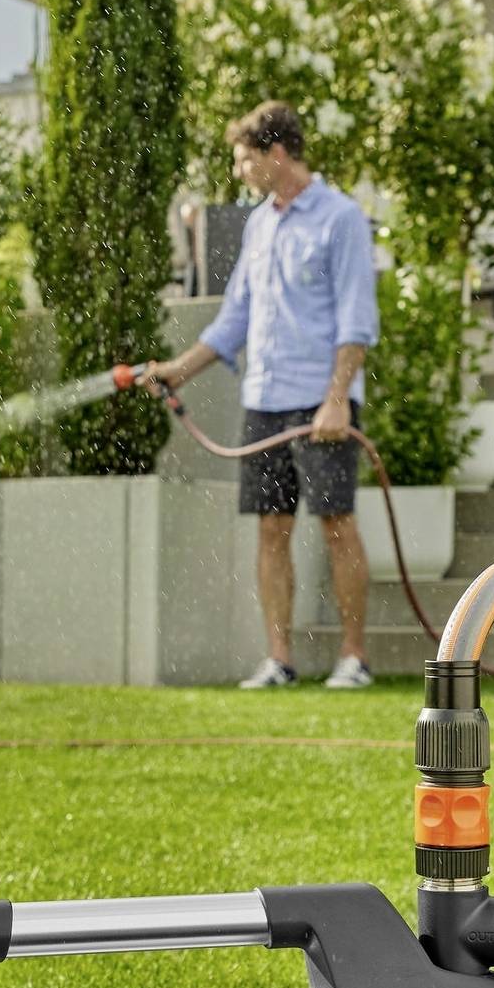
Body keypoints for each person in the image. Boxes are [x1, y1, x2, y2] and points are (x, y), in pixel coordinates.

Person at [143, 100, 380, 690]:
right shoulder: (260, 224)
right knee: (271, 529)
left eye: (245, 160)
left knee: (336, 523)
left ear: (277, 154)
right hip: (265, 397)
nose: (240, 172)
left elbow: (356, 320)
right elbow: (235, 318)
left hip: (320, 400)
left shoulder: (340, 218)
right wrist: (179, 369)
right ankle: (280, 660)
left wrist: (336, 399)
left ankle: (354, 658)